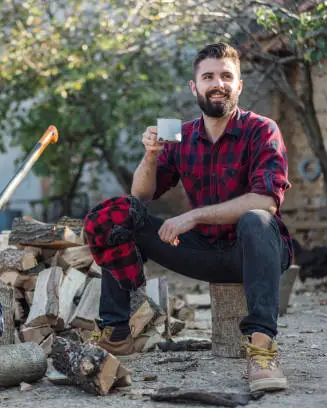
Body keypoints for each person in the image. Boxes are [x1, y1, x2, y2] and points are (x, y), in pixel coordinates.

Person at [83, 42, 292, 393]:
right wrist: (150, 156)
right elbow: (142, 196)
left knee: (255, 219)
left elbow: (266, 200)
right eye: (208, 76)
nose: (218, 83)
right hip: (203, 252)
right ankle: (116, 333)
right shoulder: (180, 136)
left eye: (227, 76)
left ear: (239, 85)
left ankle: (262, 351)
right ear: (194, 87)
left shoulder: (262, 130)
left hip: (257, 250)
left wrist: (193, 216)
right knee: (120, 216)